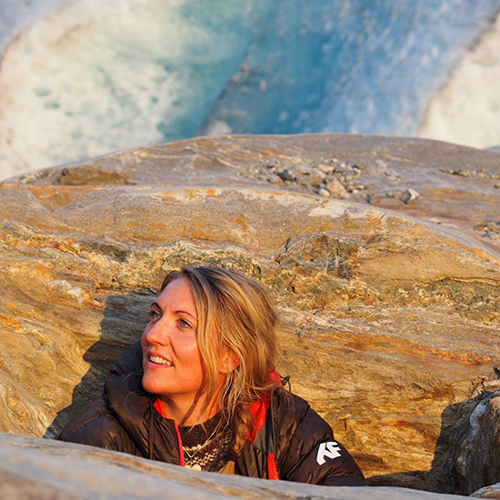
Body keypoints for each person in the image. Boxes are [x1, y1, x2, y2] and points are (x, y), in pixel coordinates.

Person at [59, 266, 365, 485]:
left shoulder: (282, 422)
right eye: (156, 314)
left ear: (229, 357)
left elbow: (343, 489)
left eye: (183, 324)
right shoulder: (100, 435)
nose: (153, 334)